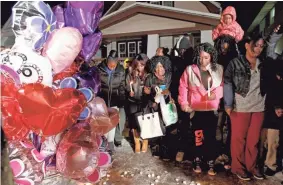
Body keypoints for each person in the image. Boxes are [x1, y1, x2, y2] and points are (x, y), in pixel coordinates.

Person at [224, 33, 266, 181]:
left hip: (259, 106)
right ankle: (238, 167)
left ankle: (252, 166)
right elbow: (227, 83)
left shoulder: (263, 63)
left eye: (261, 46)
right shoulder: (235, 63)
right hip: (240, 107)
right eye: (256, 45)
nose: (258, 49)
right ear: (248, 45)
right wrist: (228, 104)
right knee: (238, 139)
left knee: (254, 140)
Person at [178, 43, 223, 176]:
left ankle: (210, 160)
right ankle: (197, 159)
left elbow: (221, 85)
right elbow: (183, 86)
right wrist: (184, 103)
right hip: (196, 108)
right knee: (198, 136)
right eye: (201, 57)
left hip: (211, 108)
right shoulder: (190, 70)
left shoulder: (218, 69)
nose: (203, 61)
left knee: (210, 136)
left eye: (206, 57)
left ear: (212, 57)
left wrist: (216, 94)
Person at [260, 25, 283, 177]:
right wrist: (276, 34)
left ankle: (272, 163)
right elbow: (270, 51)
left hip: (277, 105)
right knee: (270, 138)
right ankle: (270, 164)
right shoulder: (276, 62)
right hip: (273, 105)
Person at [143, 56, 172, 160]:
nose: (161, 69)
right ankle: (155, 147)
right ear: (154, 68)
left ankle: (165, 149)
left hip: (165, 105)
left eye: (162, 66)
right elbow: (146, 92)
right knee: (156, 126)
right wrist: (150, 93)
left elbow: (169, 89)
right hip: (153, 105)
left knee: (166, 127)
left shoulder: (168, 76)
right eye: (158, 66)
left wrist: (166, 93)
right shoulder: (150, 78)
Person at [97, 50, 126, 153]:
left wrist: (121, 101)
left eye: (114, 65)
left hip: (115, 99)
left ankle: (110, 143)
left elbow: (122, 86)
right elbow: (97, 85)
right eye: (110, 65)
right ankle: (103, 142)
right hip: (102, 99)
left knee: (112, 122)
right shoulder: (100, 69)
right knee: (104, 121)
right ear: (107, 62)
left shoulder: (121, 70)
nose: (112, 67)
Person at [126, 53, 149, 153]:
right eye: (138, 65)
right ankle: (137, 143)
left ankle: (145, 141)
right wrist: (129, 90)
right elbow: (127, 85)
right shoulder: (131, 74)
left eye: (142, 65)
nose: (140, 67)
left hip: (144, 102)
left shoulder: (148, 74)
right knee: (134, 124)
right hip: (133, 101)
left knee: (144, 123)